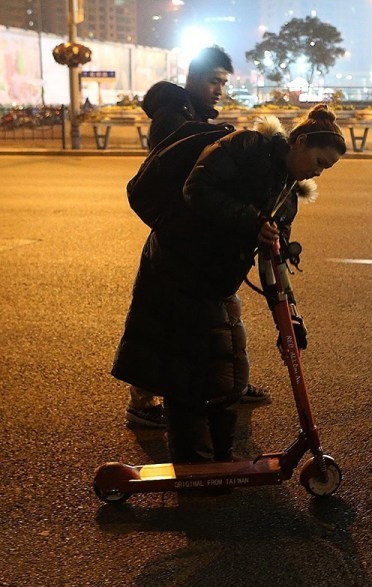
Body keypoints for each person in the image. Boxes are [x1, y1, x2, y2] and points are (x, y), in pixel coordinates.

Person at [111, 104, 346, 463]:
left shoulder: (287, 197)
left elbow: (274, 257)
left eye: (326, 169)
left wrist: (291, 315)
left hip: (217, 281)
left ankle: (219, 459)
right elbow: (197, 188)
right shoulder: (247, 147)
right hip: (177, 268)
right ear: (298, 142)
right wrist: (252, 221)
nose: (318, 171)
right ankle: (194, 465)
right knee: (188, 375)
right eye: (319, 160)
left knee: (229, 374)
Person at [124, 45, 268, 429]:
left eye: (223, 82)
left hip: (193, 238)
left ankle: (230, 382)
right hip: (176, 240)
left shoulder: (191, 114)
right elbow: (179, 172)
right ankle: (142, 401)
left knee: (215, 312)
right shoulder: (173, 118)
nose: (219, 89)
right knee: (157, 322)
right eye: (213, 81)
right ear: (194, 78)